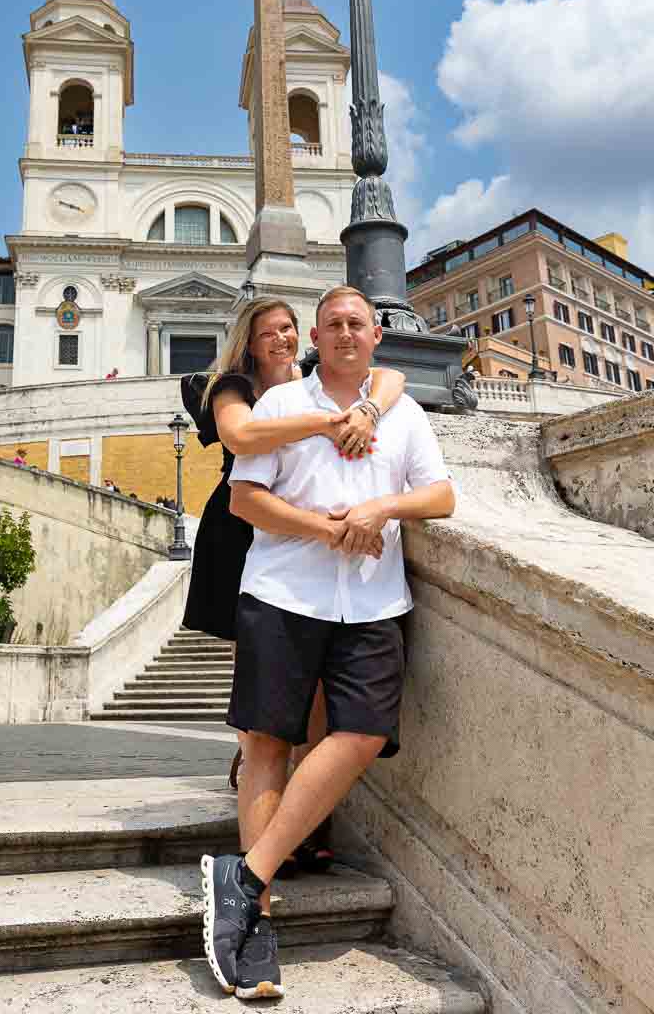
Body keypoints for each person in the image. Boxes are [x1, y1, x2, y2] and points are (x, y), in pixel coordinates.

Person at [199, 286, 455, 1000]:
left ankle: (244, 879)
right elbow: (244, 499)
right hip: (284, 593)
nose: (345, 333)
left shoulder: (401, 412)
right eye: (332, 324)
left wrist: (380, 506)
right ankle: (257, 924)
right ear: (317, 336)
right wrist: (329, 528)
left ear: (377, 334)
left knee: (365, 733)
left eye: (356, 323)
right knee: (268, 743)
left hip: (373, 602)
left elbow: (441, 496)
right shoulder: (277, 406)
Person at [181, 297, 405, 855]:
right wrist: (331, 423)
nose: (280, 340)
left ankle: (299, 824)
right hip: (240, 535)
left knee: (320, 689)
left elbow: (393, 375)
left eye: (286, 330)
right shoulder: (233, 387)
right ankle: (266, 794)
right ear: (249, 342)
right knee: (261, 693)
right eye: (267, 333)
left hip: (308, 546)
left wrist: (368, 411)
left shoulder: (313, 381)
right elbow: (243, 437)